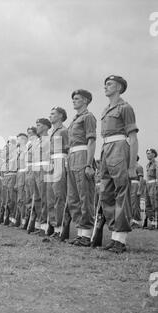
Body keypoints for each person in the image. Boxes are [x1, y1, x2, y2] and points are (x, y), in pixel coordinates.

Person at [100, 75, 139, 253]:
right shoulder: (105, 110)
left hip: (119, 147)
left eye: (110, 84)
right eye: (106, 84)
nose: (106, 87)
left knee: (121, 191)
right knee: (105, 193)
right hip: (106, 148)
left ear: (119, 87)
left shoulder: (125, 107)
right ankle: (115, 233)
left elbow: (133, 138)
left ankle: (120, 239)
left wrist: (132, 166)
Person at [67, 89, 97, 247]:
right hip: (72, 158)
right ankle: (80, 233)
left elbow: (91, 141)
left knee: (85, 196)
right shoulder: (74, 120)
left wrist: (88, 164)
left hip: (82, 156)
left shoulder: (88, 117)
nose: (74, 101)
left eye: (77, 98)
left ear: (85, 101)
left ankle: (86, 234)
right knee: (74, 198)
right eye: (73, 99)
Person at [47, 106, 69, 239]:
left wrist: (66, 164)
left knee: (59, 195)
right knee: (51, 196)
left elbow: (68, 148)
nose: (50, 116)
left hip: (60, 161)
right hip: (51, 163)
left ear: (61, 115)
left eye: (53, 114)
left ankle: (61, 227)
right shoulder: (53, 132)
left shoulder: (64, 131)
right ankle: (54, 225)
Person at [28, 118, 51, 235]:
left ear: (46, 127)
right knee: (37, 198)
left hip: (44, 169)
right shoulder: (36, 141)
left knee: (44, 198)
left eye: (39, 125)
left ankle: (46, 226)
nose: (37, 127)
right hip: (35, 170)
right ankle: (40, 225)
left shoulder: (50, 140)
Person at [14, 133, 28, 227]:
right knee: (19, 199)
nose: (17, 141)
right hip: (19, 175)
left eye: (18, 139)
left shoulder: (27, 150)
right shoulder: (19, 152)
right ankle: (21, 220)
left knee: (24, 199)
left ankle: (25, 221)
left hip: (24, 174)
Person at [144, 148, 158, 229]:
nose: (147, 155)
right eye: (147, 153)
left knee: (155, 203)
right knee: (148, 203)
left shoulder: (156, 164)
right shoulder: (148, 165)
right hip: (148, 185)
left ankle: (156, 222)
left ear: (154, 154)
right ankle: (152, 221)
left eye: (149, 153)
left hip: (154, 184)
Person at [130, 155, 144, 228]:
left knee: (135, 204)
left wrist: (140, 190)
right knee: (130, 204)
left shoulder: (139, 167)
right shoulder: (130, 167)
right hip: (129, 185)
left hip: (135, 185)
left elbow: (141, 179)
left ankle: (136, 221)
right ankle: (132, 220)